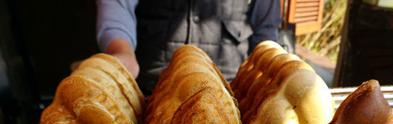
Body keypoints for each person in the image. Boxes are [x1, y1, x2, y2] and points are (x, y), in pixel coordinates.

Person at [96, 0, 281, 94]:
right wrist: (121, 49)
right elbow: (118, 5)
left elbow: (265, 27)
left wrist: (268, 73)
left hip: (228, 90)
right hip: (153, 88)